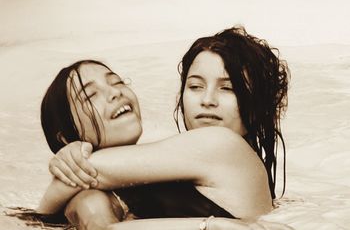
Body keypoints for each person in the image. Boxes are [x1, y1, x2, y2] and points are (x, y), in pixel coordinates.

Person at [41, 26, 290, 229]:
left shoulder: (223, 145)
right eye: (195, 86)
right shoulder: (165, 175)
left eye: (228, 88)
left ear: (258, 108)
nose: (207, 100)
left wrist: (61, 178)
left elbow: (89, 172)